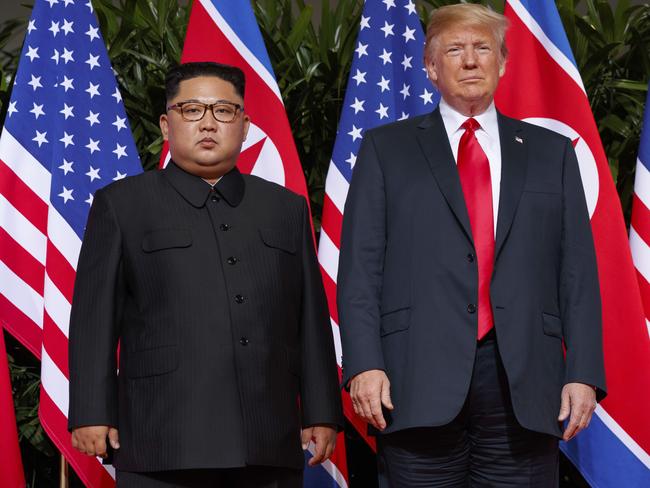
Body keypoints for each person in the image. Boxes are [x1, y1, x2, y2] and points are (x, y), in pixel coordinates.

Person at [338, 4, 606, 486]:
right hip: (412, 380)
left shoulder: (552, 155)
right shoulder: (385, 149)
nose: (469, 60)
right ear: (430, 66)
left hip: (524, 384)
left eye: (482, 48)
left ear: (503, 62)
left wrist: (583, 371)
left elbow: (578, 275)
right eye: (454, 49)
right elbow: (360, 270)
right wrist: (364, 364)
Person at [68, 62, 343, 488]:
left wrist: (322, 411)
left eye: (224, 111)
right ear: (166, 124)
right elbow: (93, 319)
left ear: (245, 125)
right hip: (162, 437)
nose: (208, 123)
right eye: (192, 110)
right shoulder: (123, 205)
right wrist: (91, 412)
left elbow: (309, 318)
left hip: (267, 435)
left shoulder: (285, 208)